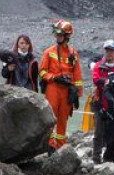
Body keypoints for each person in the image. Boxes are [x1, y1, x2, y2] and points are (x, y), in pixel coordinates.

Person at [38, 21, 83, 152]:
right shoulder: (49, 52)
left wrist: (77, 94)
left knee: (63, 119)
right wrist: (53, 77)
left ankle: (61, 146)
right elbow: (42, 72)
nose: (57, 36)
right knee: (51, 119)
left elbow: (77, 75)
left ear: (67, 36)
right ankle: (50, 147)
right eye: (56, 33)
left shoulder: (73, 54)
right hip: (53, 88)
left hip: (67, 91)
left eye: (59, 34)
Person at [91, 39, 114, 162]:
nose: (109, 53)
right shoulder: (99, 65)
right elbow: (95, 80)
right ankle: (96, 157)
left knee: (113, 133)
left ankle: (111, 157)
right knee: (98, 133)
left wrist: (106, 83)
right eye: (107, 50)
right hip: (100, 103)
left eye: (111, 50)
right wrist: (110, 83)